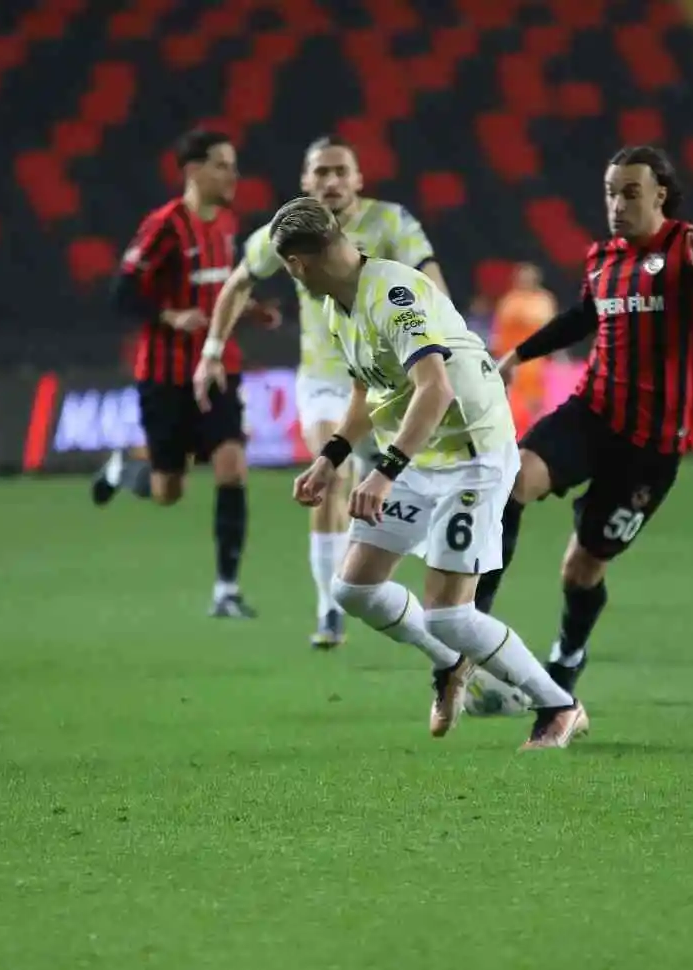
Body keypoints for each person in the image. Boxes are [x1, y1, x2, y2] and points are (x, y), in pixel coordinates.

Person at [197, 196, 588, 749]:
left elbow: (436, 388)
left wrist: (383, 473)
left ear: (298, 263)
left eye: (289, 268)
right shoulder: (341, 305)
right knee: (353, 588)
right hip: (418, 453)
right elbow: (369, 389)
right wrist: (331, 458)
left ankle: (558, 706)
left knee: (448, 615)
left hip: (471, 453)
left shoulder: (392, 294)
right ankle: (452, 664)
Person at [474, 145, 693, 696]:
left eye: (630, 192)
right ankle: (472, 626)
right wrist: (517, 355)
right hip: (593, 412)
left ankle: (567, 656)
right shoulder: (601, 257)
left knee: (580, 571)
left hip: (652, 446)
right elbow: (581, 317)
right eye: (611, 192)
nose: (617, 204)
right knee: (511, 478)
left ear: (660, 193)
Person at [206, 134, 448, 649]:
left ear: (359, 179)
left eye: (341, 171)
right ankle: (329, 609)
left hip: (387, 380)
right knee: (330, 474)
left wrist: (449, 340)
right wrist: (211, 350)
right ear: (305, 181)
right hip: (323, 378)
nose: (332, 181)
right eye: (321, 173)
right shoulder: (292, 230)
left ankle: (419, 598)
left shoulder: (391, 223)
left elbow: (431, 281)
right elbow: (239, 280)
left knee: (386, 487)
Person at [88, 128, 278, 619]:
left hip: (217, 368)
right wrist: (170, 316)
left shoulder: (230, 225)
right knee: (167, 491)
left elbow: (224, 290)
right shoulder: (164, 226)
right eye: (222, 165)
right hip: (165, 376)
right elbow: (121, 294)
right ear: (193, 171)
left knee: (232, 465)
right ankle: (123, 468)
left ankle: (226, 590)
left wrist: (251, 310)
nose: (233, 175)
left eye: (234, 165)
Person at [490, 262, 558, 435]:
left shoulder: (543, 301)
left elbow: (550, 327)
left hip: (534, 361)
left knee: (533, 400)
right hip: (510, 359)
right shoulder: (509, 300)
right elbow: (499, 329)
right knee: (510, 401)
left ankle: (532, 435)